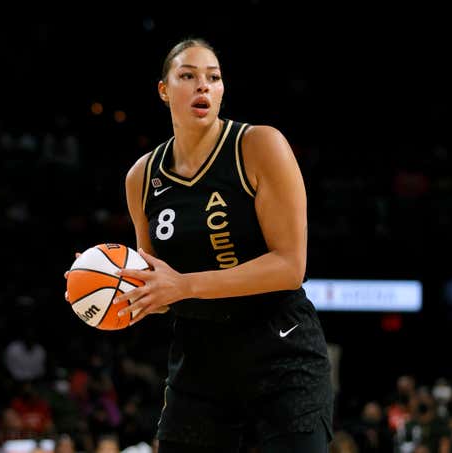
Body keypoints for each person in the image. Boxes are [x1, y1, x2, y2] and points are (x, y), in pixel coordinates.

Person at [95, 37, 332, 452]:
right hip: (199, 360)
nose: (203, 86)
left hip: (279, 347)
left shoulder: (259, 145)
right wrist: (105, 279)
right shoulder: (141, 176)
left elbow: (290, 266)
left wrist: (185, 285)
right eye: (188, 76)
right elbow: (160, 289)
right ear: (164, 90)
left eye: (214, 77)